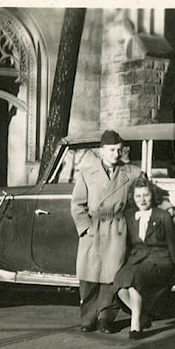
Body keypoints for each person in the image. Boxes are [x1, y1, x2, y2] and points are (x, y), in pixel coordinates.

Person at [70, 130, 147, 333]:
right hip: (93, 229)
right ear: (101, 151)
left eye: (119, 150)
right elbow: (77, 205)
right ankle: (88, 318)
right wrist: (85, 228)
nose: (116, 154)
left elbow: (149, 193)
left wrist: (168, 207)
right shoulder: (87, 173)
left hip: (117, 229)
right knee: (89, 276)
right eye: (112, 150)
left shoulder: (131, 173)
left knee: (111, 276)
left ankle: (105, 318)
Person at [114, 176, 175, 340]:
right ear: (133, 197)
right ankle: (143, 314)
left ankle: (135, 325)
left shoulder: (163, 216)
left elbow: (173, 244)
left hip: (160, 259)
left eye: (146, 195)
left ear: (153, 196)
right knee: (120, 282)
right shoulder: (130, 215)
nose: (142, 200)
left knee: (135, 280)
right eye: (138, 196)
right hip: (138, 259)